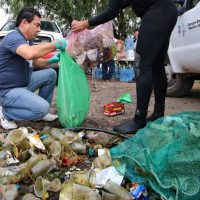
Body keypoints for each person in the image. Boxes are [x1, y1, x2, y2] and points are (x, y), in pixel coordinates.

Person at [71, 0, 177, 134]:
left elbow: (111, 11)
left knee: (142, 65)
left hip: (156, 13)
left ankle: (139, 119)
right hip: (168, 10)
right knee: (157, 66)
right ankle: (158, 113)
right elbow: (120, 5)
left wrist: (85, 23)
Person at [0, 7, 66, 129]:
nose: (39, 30)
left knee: (51, 74)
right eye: (37, 25)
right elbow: (29, 53)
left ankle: (42, 114)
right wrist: (55, 44)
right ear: (25, 22)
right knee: (42, 107)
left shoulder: (26, 41)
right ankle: (5, 113)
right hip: (7, 91)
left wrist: (51, 60)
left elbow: (35, 62)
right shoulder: (13, 37)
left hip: (23, 83)